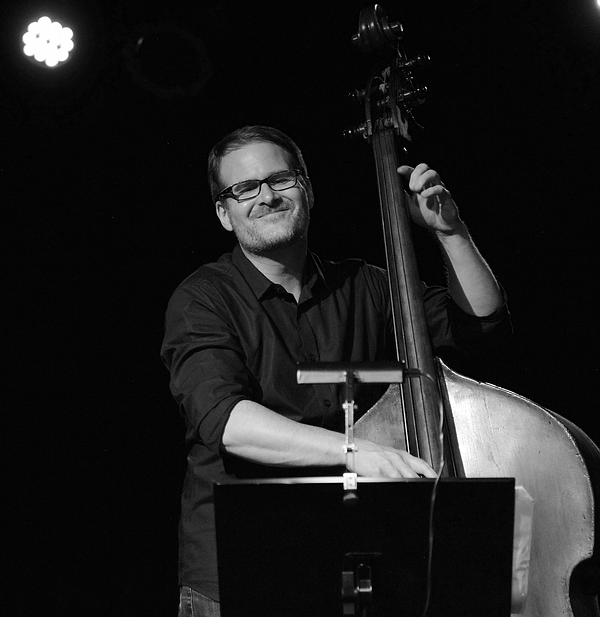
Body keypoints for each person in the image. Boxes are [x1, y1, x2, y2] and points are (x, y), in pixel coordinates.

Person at [160, 125, 511, 616]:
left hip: (355, 572)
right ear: (224, 212)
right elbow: (227, 423)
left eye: (280, 179)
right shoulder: (202, 299)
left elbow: (480, 323)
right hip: (239, 578)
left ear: (307, 188)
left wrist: (450, 233)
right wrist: (354, 451)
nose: (266, 196)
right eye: (244, 188)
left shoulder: (365, 285)